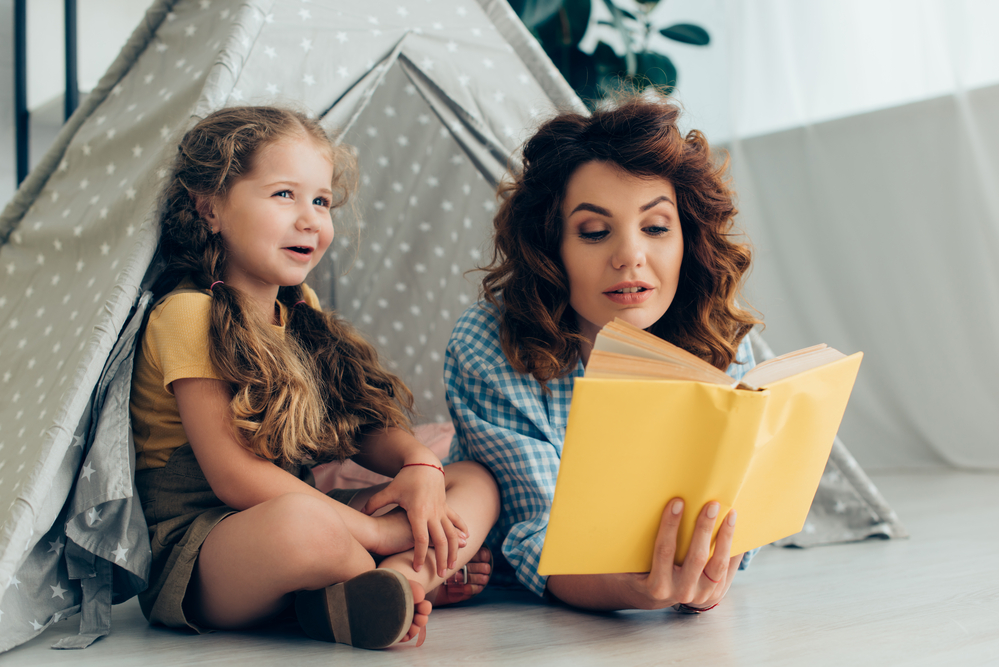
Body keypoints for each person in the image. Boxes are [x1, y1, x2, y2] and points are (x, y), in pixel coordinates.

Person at [131, 106, 499, 649]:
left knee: (472, 479)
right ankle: (396, 569)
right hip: (207, 553)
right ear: (209, 208)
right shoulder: (188, 313)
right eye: (284, 195)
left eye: (321, 201)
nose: (310, 219)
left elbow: (356, 421)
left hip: (313, 525)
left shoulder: (299, 309)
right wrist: (374, 531)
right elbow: (234, 478)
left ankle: (396, 583)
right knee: (304, 526)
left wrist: (418, 466)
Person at [444, 93, 761, 612]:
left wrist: (707, 571)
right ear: (552, 248)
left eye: (656, 228)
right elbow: (540, 536)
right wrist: (634, 592)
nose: (630, 257)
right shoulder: (488, 343)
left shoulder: (718, 334)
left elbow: (738, 514)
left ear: (687, 238)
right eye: (594, 232)